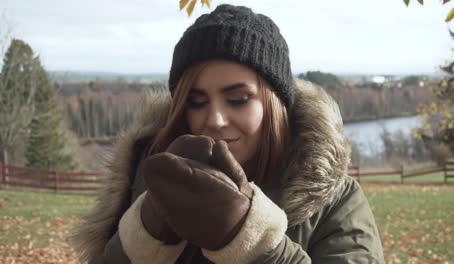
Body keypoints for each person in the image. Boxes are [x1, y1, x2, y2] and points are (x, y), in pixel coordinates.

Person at [73, 4, 384, 263]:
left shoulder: (334, 200)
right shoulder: (147, 180)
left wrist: (253, 241)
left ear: (274, 103)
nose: (215, 119)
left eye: (238, 99)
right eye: (196, 102)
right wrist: (145, 236)